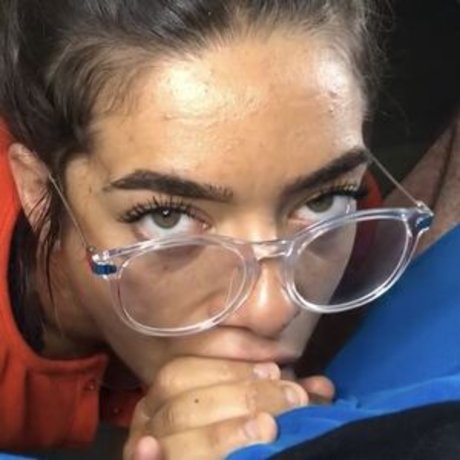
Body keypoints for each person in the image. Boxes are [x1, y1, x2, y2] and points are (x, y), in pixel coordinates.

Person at [0, 1, 432, 459]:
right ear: (39, 191)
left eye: (320, 198)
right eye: (167, 216)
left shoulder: (346, 235)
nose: (273, 310)